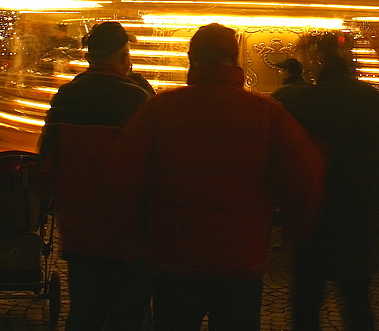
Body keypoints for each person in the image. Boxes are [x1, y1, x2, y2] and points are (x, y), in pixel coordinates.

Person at [108, 23, 325, 331]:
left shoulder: (160, 108)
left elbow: (121, 175)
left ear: (191, 57)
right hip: (240, 257)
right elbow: (306, 178)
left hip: (174, 254)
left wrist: (134, 238)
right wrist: (294, 235)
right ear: (234, 58)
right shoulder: (266, 112)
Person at [275, 35, 379, 331]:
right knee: (357, 300)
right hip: (359, 214)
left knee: (306, 301)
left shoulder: (303, 102)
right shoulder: (374, 101)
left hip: (315, 214)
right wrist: (371, 189)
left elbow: (289, 158)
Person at [38, 22, 151, 331]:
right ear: (124, 56)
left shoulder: (66, 95)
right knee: (128, 314)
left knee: (85, 311)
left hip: (80, 226)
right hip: (127, 230)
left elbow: (47, 161)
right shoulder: (138, 99)